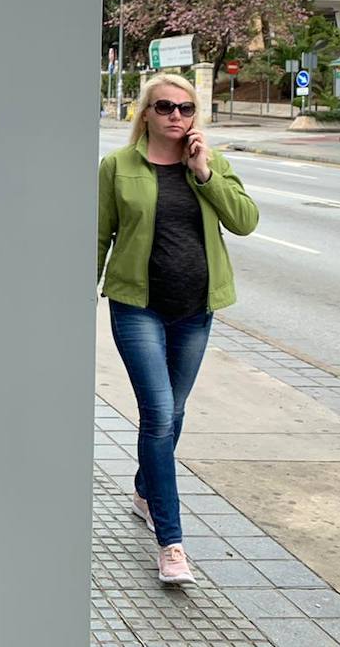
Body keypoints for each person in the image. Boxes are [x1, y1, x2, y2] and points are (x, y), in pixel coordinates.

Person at [97, 73, 259, 586]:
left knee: (176, 411)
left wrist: (204, 172)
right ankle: (171, 543)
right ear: (145, 113)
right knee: (160, 415)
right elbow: (98, 235)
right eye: (165, 107)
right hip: (137, 305)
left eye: (186, 109)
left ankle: (147, 487)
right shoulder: (118, 167)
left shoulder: (208, 165)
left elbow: (245, 221)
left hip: (195, 309)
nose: (176, 116)